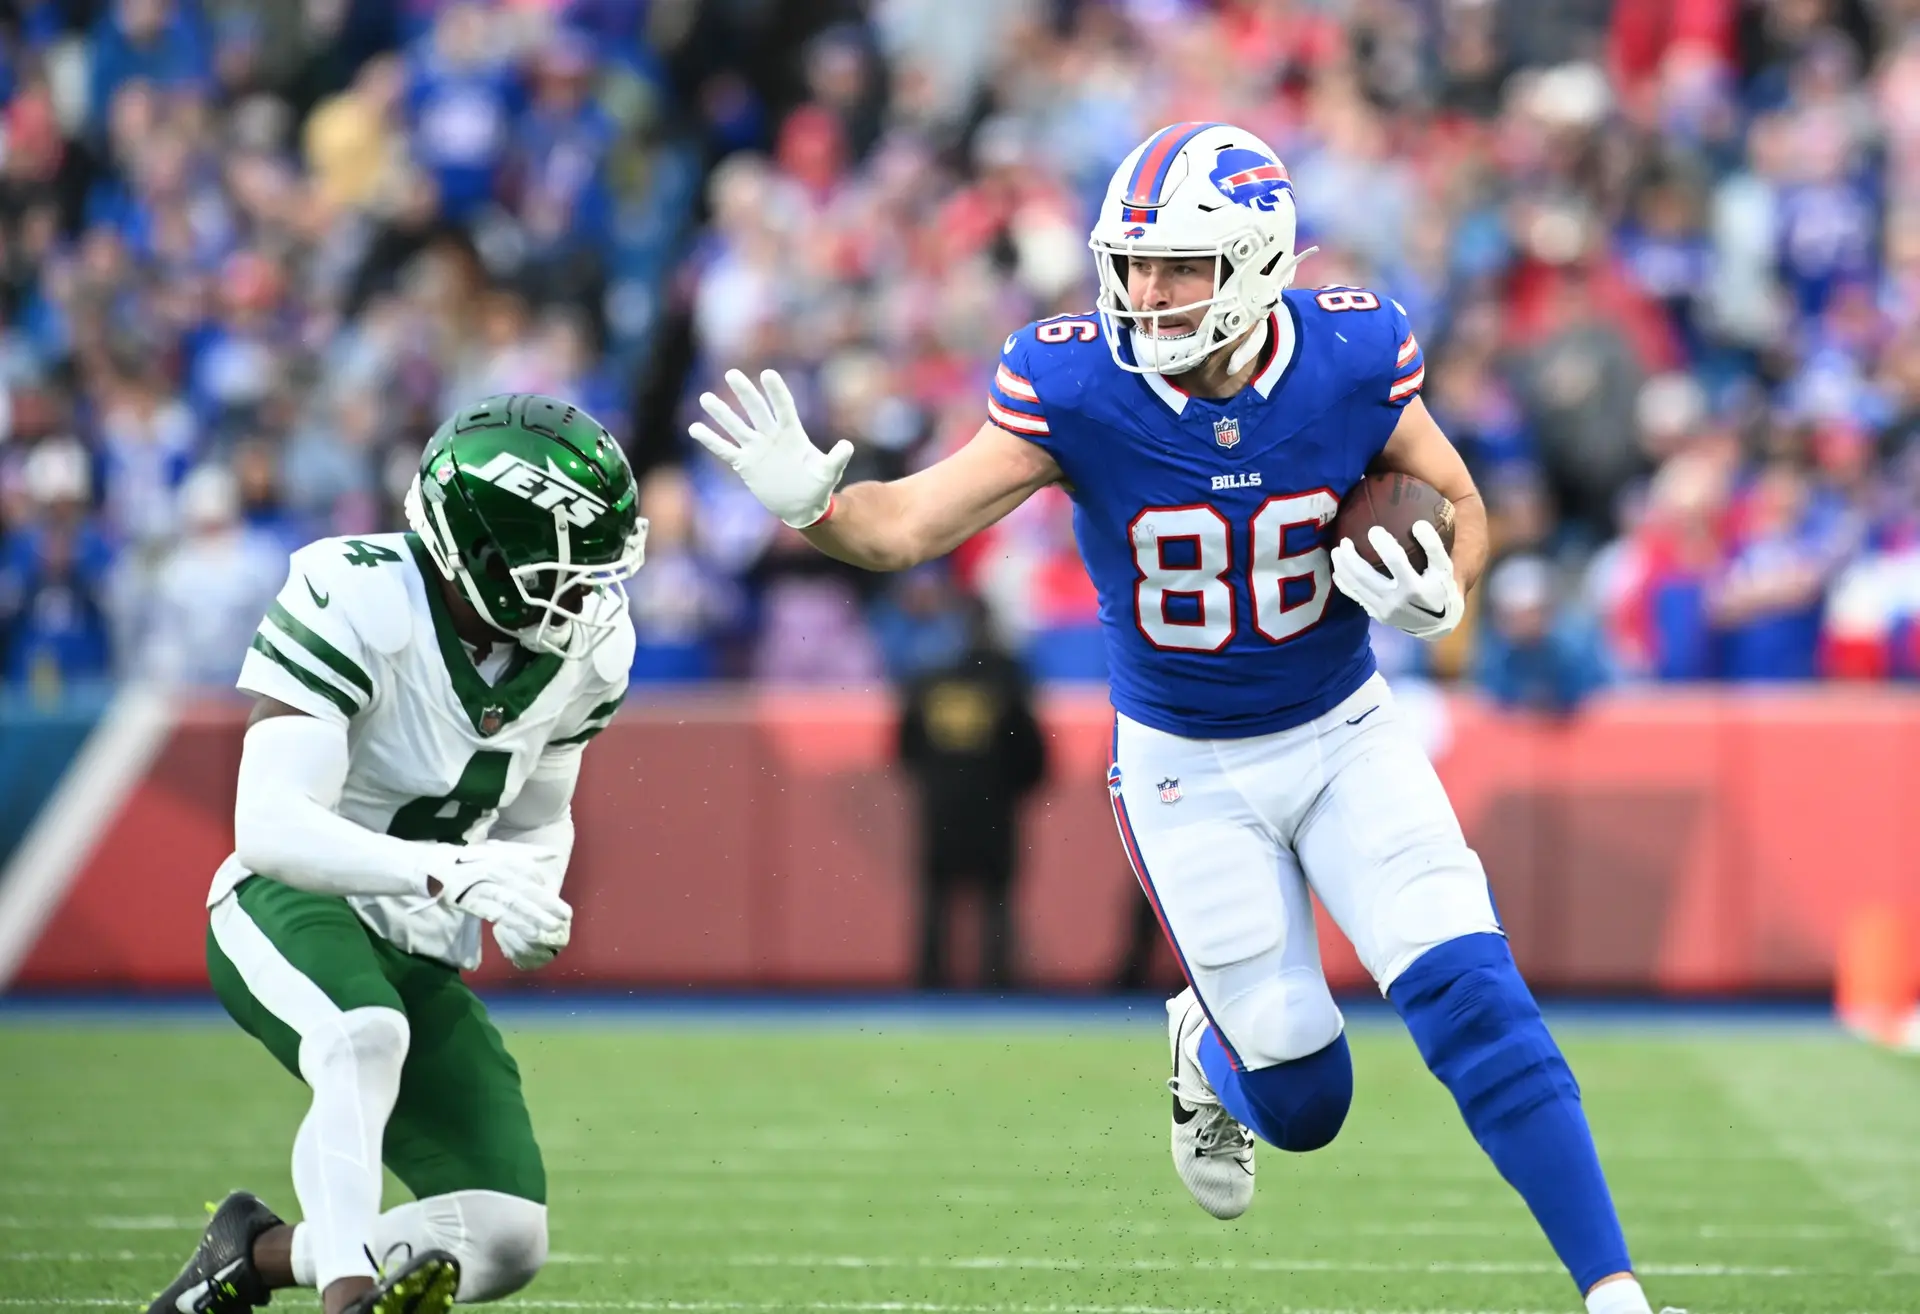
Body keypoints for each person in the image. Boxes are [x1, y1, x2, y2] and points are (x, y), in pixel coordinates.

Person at [692, 123, 1671, 1314]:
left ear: (1258, 263)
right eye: (1132, 263)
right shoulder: (1079, 383)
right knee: (1308, 1103)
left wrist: (1444, 588)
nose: (1145, 292)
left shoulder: (1353, 355)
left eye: (1178, 267)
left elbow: (1460, 502)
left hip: (1345, 731)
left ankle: (1614, 1296)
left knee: (1474, 997)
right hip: (1187, 769)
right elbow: (904, 527)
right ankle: (1204, 1050)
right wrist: (817, 507)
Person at [145, 395, 647, 1314]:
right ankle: (347, 1299)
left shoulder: (589, 649)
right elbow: (270, 824)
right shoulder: (360, 590)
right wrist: (450, 870)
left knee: (502, 1237)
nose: (588, 598)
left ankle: (247, 1257)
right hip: (287, 901)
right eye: (562, 572)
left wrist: (533, 894)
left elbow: (540, 815)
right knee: (359, 1036)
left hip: (419, 941)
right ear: (481, 556)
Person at [897, 597, 1047, 988]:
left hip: (941, 806)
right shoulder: (1007, 678)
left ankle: (929, 984)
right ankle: (996, 985)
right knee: (996, 899)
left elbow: (906, 747)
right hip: (994, 806)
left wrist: (938, 782)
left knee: (936, 899)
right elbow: (1031, 750)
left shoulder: (930, 678)